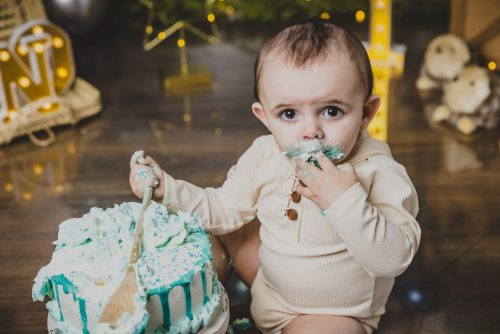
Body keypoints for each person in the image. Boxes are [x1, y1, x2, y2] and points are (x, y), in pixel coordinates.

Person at [130, 19, 421, 334]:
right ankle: (201, 305)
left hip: (332, 315)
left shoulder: (379, 171)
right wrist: (166, 190)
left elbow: (393, 259)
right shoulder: (266, 153)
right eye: (289, 114)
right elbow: (224, 207)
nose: (311, 131)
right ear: (264, 116)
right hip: (267, 287)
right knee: (214, 232)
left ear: (366, 112)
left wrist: (344, 200)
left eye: (332, 111)